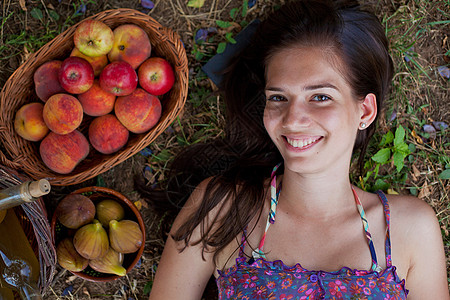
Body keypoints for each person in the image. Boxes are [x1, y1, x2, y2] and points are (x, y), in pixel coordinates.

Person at [145, 0, 450, 299]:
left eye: (320, 97)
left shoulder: (409, 229)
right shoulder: (221, 210)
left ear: (365, 112)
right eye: (278, 98)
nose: (292, 120)